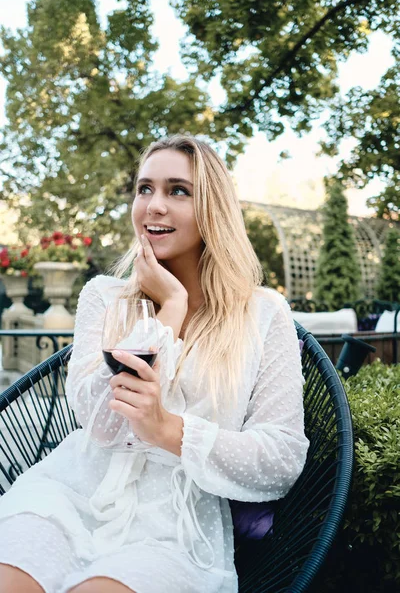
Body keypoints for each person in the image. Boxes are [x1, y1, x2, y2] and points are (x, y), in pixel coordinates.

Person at [0, 135, 309, 593]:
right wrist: (170, 310)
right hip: (71, 494)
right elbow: (100, 426)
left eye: (177, 190)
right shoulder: (103, 297)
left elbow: (281, 457)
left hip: (176, 525)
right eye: (145, 189)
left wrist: (169, 430)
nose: (154, 206)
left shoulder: (263, 314)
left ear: (213, 209)